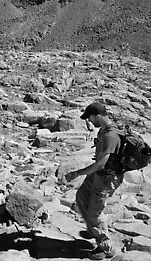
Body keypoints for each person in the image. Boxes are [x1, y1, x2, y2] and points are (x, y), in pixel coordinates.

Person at [65, 102, 124, 260]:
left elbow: (101, 163)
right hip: (98, 175)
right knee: (81, 197)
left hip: (106, 178)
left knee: (94, 213)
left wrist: (77, 173)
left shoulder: (111, 136)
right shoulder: (103, 131)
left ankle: (105, 247)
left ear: (98, 116)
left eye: (90, 118)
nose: (89, 121)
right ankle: (95, 232)